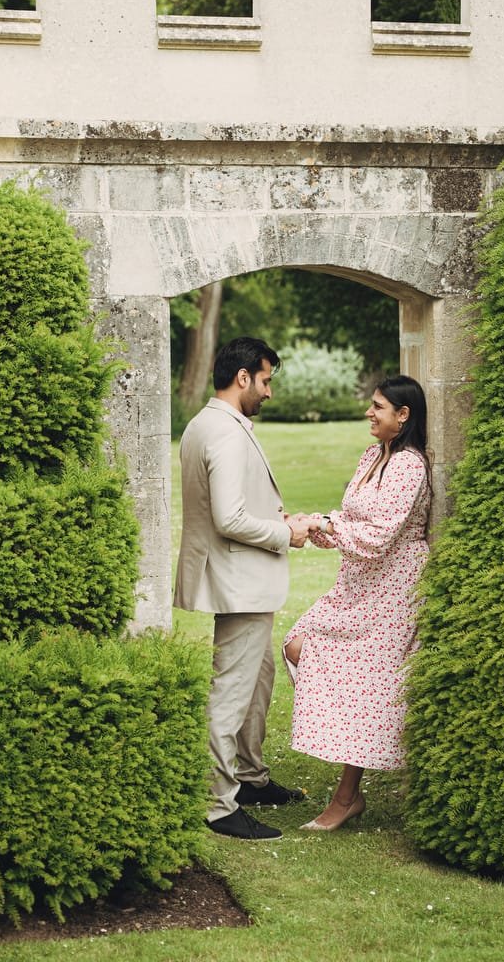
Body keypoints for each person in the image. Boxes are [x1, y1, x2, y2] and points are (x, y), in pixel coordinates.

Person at [174, 336, 315, 841]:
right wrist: (287, 533)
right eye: (266, 380)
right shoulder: (227, 432)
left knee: (259, 680)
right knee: (231, 693)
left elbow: (233, 505)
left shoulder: (204, 424)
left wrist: (278, 517)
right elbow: (228, 517)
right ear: (243, 377)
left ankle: (250, 778)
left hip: (240, 576)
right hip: (239, 579)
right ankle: (219, 805)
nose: (269, 392)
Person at [283, 375, 432, 832]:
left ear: (402, 416)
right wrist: (312, 525)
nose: (369, 412)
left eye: (378, 407)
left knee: (370, 681)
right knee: (297, 645)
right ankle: (350, 773)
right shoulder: (373, 455)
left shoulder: (409, 465)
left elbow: (380, 536)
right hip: (356, 584)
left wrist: (321, 524)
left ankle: (347, 796)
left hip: (393, 585)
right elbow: (351, 519)